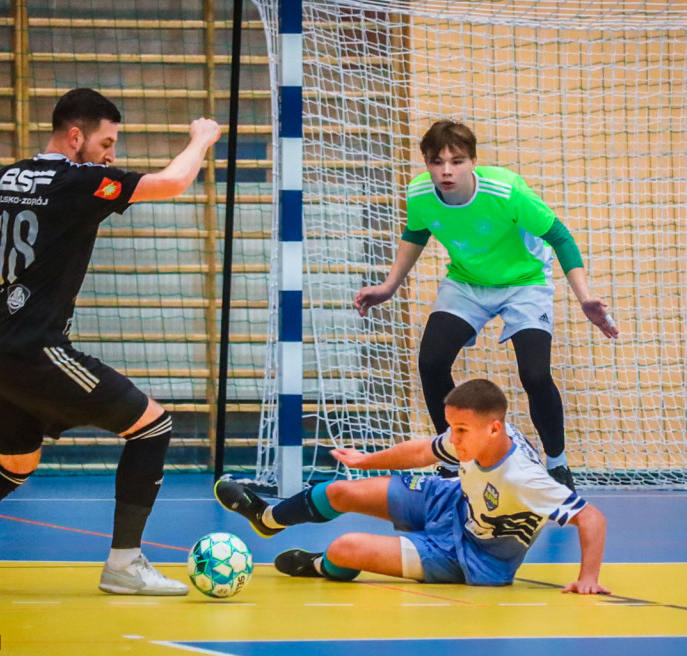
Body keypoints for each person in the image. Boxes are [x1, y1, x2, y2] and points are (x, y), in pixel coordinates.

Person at [0, 88, 221, 596]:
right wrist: (202, 137)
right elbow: (174, 181)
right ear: (75, 136)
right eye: (107, 142)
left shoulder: (6, 178)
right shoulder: (80, 181)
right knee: (153, 426)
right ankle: (124, 564)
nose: (112, 156)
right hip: (36, 349)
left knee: (13, 465)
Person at [354, 121, 619, 489]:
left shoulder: (507, 192)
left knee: (535, 375)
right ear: (426, 163)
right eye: (437, 162)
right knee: (431, 362)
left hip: (524, 283)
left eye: (457, 161)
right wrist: (389, 286)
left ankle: (557, 463)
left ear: (472, 161)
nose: (447, 171)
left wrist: (585, 297)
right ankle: (451, 458)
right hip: (467, 283)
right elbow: (417, 231)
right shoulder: (419, 194)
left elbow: (559, 236)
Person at [215, 379, 609, 593]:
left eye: (460, 430)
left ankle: (321, 565)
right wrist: (364, 461)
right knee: (341, 490)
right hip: (454, 502)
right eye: (451, 427)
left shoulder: (523, 477)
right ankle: (267, 518)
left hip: (474, 556)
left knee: (345, 547)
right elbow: (424, 451)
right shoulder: (473, 441)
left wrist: (588, 579)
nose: (452, 439)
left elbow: (592, 518)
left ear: (494, 428)